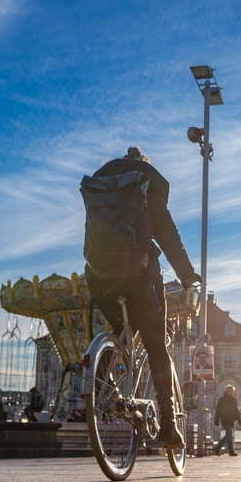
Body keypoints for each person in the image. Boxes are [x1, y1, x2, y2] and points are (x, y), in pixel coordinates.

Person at [84, 147, 201, 447]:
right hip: (139, 276)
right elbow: (166, 232)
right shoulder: (146, 181)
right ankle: (169, 423)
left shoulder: (99, 183)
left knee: (121, 332)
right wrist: (187, 275)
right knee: (155, 343)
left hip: (99, 276)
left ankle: (104, 383)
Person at [213, 385, 241, 456]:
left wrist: (239, 419)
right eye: (230, 391)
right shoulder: (222, 399)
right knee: (229, 435)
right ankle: (231, 452)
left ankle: (217, 448)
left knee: (228, 436)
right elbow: (218, 410)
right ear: (226, 391)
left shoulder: (234, 400)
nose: (231, 392)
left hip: (232, 421)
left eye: (232, 391)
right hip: (225, 420)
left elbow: (236, 411)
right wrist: (216, 419)